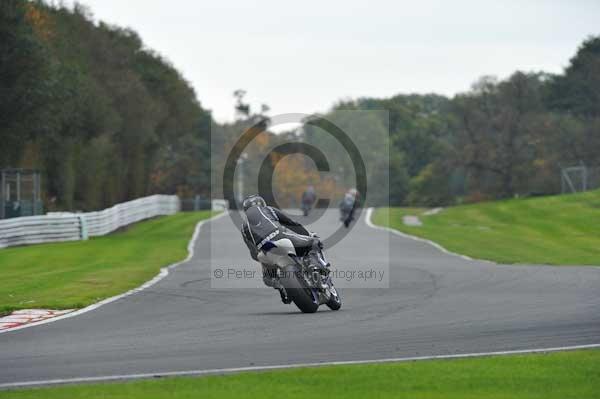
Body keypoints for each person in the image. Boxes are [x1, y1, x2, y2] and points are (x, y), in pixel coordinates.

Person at [240, 194, 321, 304]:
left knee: (268, 278)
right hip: (282, 239)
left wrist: (263, 261)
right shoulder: (268, 209)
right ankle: (313, 267)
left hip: (265, 253)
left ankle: (281, 286)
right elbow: (291, 223)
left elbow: (253, 252)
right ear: (261, 203)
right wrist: (307, 234)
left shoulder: (243, 228)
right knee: (314, 241)